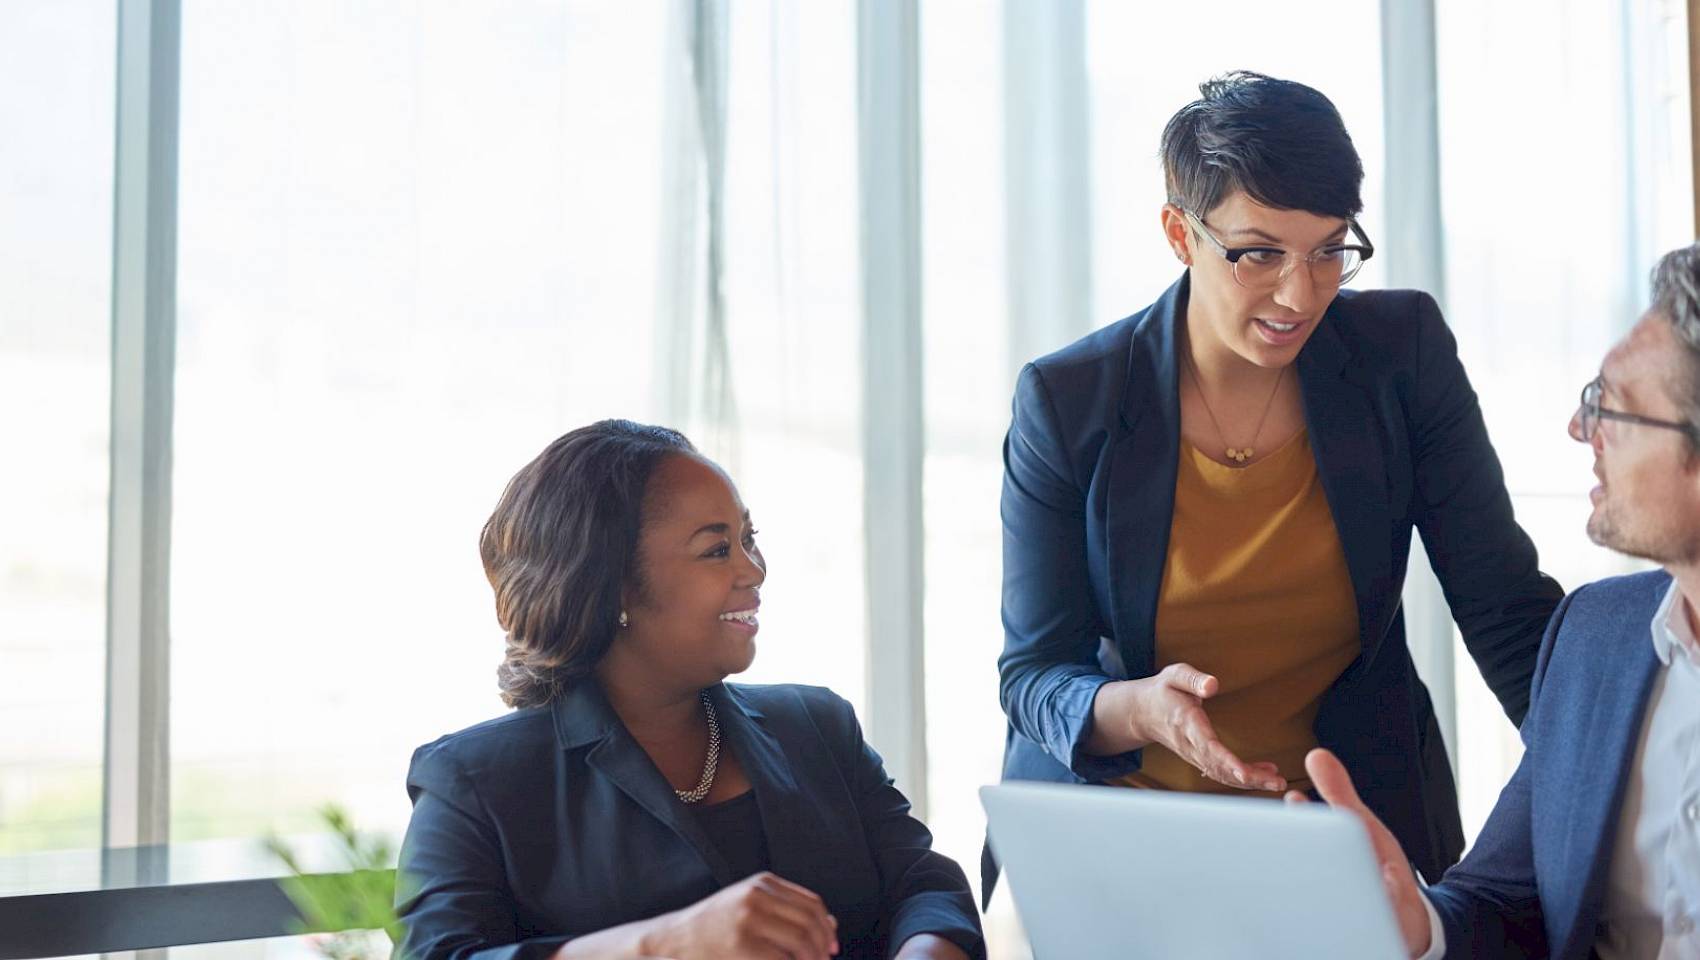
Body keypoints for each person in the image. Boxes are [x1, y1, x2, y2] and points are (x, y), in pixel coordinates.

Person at [992, 70, 1563, 897]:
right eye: (1258, 253)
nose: (1302, 294)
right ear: (1180, 235)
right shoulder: (1070, 400)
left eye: (1331, 249)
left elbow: (1504, 609)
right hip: (1125, 833)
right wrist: (1139, 708)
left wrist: (1617, 787)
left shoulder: (1400, 356)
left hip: (1344, 828)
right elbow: (1035, 672)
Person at [396, 421, 983, 960]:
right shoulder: (471, 782)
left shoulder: (818, 725)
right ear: (615, 585)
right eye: (717, 548)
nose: (754, 570)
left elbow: (923, 883)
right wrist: (666, 944)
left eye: (750, 538)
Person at [1299, 242, 1700, 959]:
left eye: (1614, 406)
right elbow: (1502, 902)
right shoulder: (1594, 639)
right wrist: (1418, 921)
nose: (1584, 430)